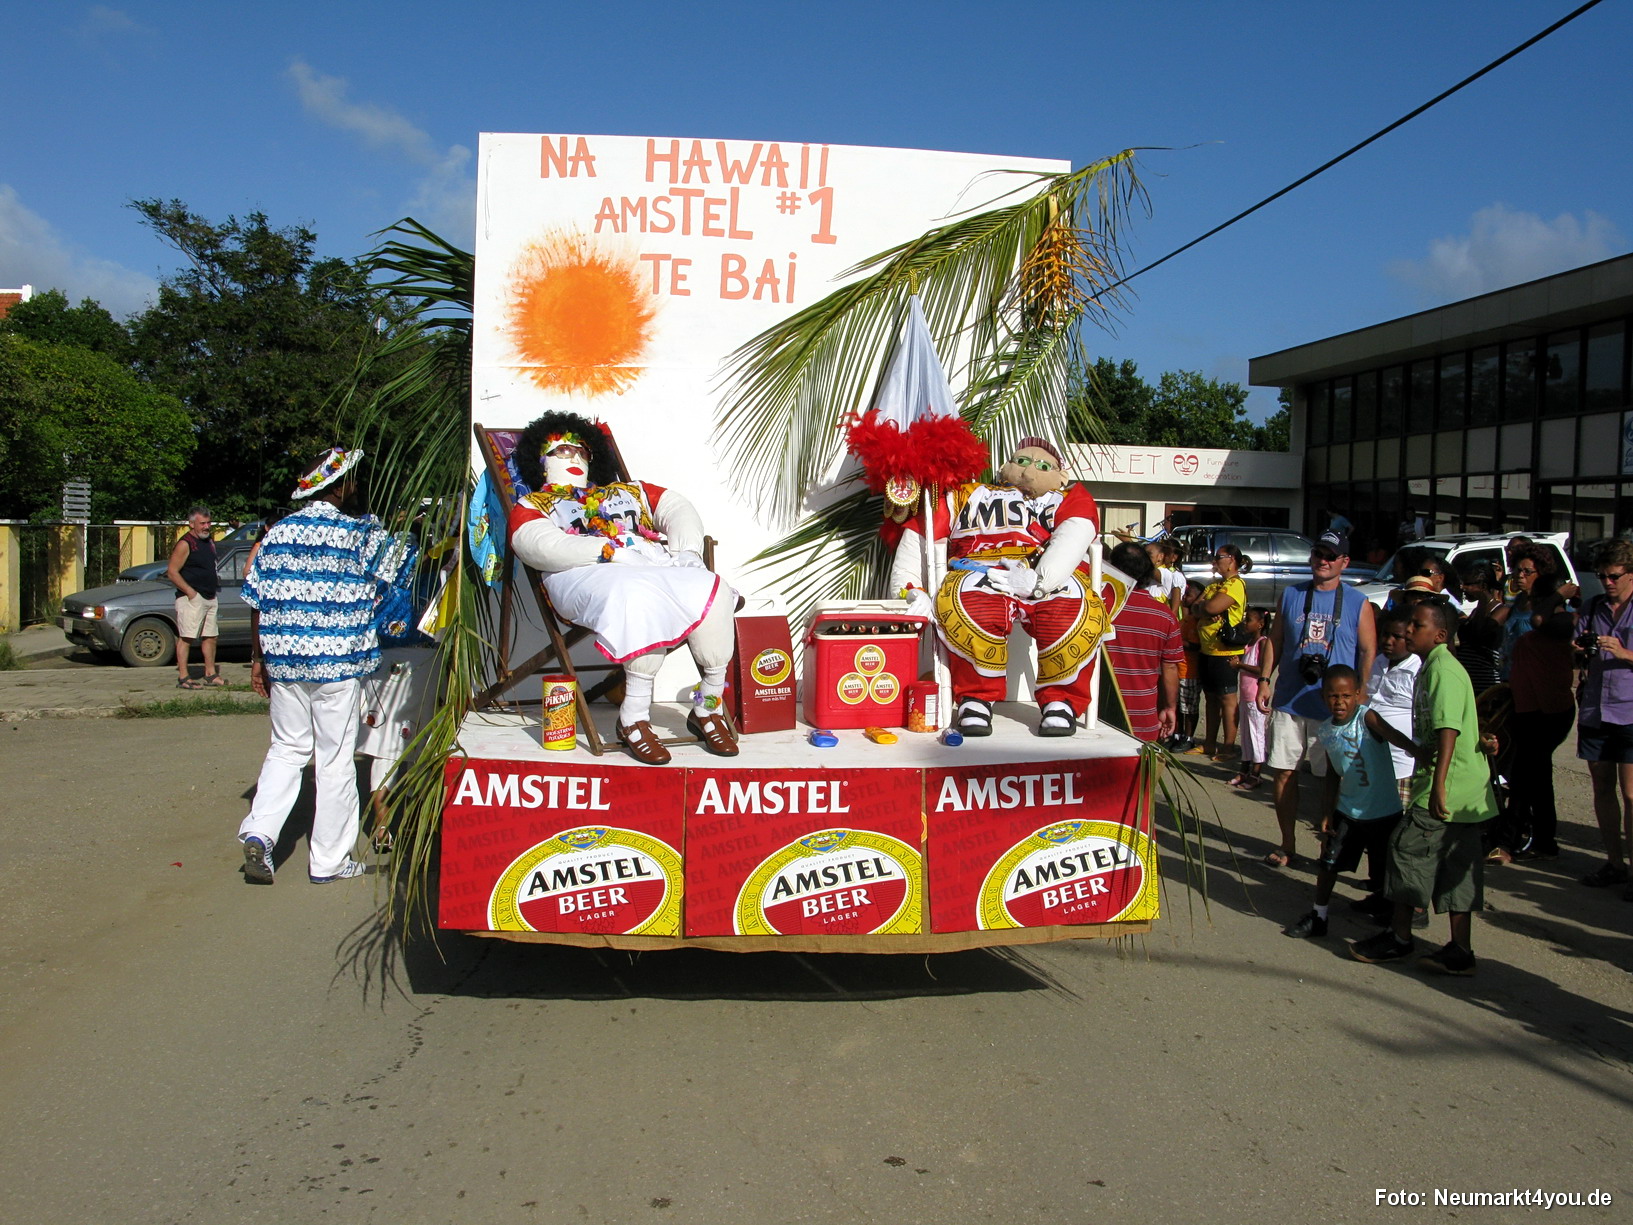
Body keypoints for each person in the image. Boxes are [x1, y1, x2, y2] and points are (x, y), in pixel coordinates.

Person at [507, 411, 738, 766]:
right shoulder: (536, 503)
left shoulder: (628, 492)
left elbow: (677, 507)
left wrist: (688, 552)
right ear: (540, 462)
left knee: (713, 587)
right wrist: (603, 549)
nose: (573, 458)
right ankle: (632, 718)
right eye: (560, 452)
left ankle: (708, 707)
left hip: (652, 565)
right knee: (635, 594)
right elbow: (532, 542)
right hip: (583, 571)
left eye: (580, 452)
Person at [237, 449, 408, 884]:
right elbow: (406, 569)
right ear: (342, 485)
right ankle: (329, 862)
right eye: (354, 479)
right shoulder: (360, 533)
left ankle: (260, 832)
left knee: (287, 749)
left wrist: (258, 660)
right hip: (337, 664)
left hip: (285, 662)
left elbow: (255, 600)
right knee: (333, 760)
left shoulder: (277, 534)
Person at [890, 436, 1102, 738]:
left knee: (1069, 606)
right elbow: (921, 535)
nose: (1030, 470)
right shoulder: (966, 494)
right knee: (970, 602)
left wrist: (1040, 581)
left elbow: (1076, 533)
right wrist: (911, 588)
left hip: (1041, 570)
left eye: (1043, 465)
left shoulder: (1069, 497)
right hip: (979, 567)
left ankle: (1061, 700)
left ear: (1060, 475)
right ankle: (976, 697)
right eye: (1023, 461)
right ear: (1006, 466)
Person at [1351, 599, 1499, 975]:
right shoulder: (1438, 667)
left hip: (1446, 782)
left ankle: (1400, 936)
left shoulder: (1441, 670)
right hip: (1466, 787)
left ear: (1441, 634)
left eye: (1417, 626)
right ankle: (1460, 949)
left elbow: (1449, 728)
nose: (1409, 631)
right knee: (1457, 866)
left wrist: (1437, 786)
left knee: (1405, 850)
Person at [1256, 528, 1376, 867]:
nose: (1322, 561)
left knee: (1332, 779)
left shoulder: (1358, 602)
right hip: (1291, 700)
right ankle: (1287, 843)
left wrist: (1361, 691)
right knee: (1283, 772)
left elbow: (1368, 650)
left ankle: (1328, 846)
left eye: (1330, 556)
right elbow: (1275, 640)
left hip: (1333, 707)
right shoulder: (1292, 595)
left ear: (1344, 562)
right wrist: (1265, 679)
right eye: (1317, 554)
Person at [1282, 666, 1421, 939]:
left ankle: (1392, 918)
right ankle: (1319, 915)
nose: (1339, 702)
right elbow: (1333, 772)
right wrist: (1328, 811)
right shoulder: (1326, 731)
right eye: (1333, 696)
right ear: (1324, 697)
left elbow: (1392, 734)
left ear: (1358, 694)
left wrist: (1420, 753)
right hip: (1348, 811)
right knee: (1328, 863)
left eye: (1346, 696)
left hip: (1383, 811)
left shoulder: (1366, 717)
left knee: (1384, 869)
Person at [1574, 539, 1633, 893]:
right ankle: (1614, 862)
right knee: (1601, 787)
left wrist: (1624, 651)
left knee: (1631, 794)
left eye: (1614, 576)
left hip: (1629, 710)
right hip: (1596, 708)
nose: (1607, 583)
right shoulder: (1594, 605)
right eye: (1602, 576)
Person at [1103, 542, 1182, 744]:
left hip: (1096, 717)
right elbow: (1171, 668)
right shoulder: (1165, 617)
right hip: (1143, 719)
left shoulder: (1095, 608)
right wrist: (1170, 707)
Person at [1193, 543, 1247, 761]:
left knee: (1227, 699)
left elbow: (1209, 608)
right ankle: (1209, 744)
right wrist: (1205, 608)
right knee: (1211, 698)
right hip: (1208, 651)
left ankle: (1228, 746)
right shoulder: (1215, 585)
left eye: (1219, 557)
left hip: (1225, 652)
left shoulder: (1235, 585)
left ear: (1232, 559)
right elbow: (1195, 607)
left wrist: (1206, 607)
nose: (1214, 562)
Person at [165, 505, 224, 688]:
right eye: (202, 523)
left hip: (210, 596)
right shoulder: (185, 543)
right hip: (191, 597)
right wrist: (191, 593)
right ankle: (183, 677)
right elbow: (172, 572)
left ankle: (210, 674)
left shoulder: (209, 542)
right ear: (192, 524)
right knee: (187, 636)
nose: (206, 527)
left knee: (211, 636)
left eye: (208, 523)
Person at [1229, 608, 1269, 790]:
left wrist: (1240, 665)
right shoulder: (1250, 643)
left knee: (1257, 734)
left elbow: (1262, 669)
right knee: (1245, 734)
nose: (1246, 623)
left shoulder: (1263, 643)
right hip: (1245, 697)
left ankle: (1256, 773)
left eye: (1249, 620)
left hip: (1255, 697)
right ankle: (1244, 769)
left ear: (1260, 624)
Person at [1452, 560, 1504, 695]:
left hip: (1487, 685)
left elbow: (1479, 633)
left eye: (1468, 584)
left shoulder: (1500, 611)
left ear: (1483, 586)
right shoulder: (1475, 612)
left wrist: (1483, 598)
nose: (1462, 587)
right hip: (1470, 683)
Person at [1145, 538, 1185, 617]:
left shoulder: (1173, 574)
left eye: (1166, 552)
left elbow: (1175, 608)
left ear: (1174, 557)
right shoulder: (1157, 570)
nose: (1163, 555)